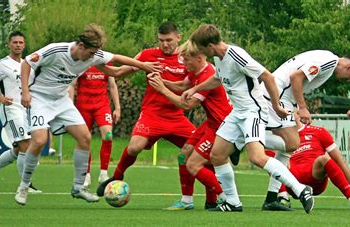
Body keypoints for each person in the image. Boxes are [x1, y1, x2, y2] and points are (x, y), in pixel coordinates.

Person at [15, 23, 160, 205]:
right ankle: (23, 186)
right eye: (91, 54)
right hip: (39, 99)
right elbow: (27, 62)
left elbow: (115, 64)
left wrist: (141, 66)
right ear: (81, 46)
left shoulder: (93, 54)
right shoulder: (56, 50)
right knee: (39, 141)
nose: (93, 58)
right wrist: (26, 93)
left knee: (85, 138)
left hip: (61, 100)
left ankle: (78, 188)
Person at [181, 24, 314, 213]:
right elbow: (218, 79)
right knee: (217, 155)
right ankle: (233, 203)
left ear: (210, 46)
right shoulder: (219, 58)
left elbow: (267, 76)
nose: (199, 53)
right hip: (237, 112)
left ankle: (301, 191)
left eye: (201, 49)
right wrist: (194, 89)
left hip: (253, 111)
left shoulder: (236, 55)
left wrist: (276, 106)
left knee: (257, 157)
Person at [96, 22, 197, 210]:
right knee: (134, 147)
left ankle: (214, 196)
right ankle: (117, 177)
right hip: (152, 114)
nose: (165, 44)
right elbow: (117, 72)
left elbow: (195, 84)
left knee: (201, 152)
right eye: (161, 40)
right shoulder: (147, 55)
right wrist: (94, 61)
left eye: (168, 40)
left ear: (178, 38)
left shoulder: (188, 58)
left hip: (176, 116)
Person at [259, 50, 350, 211]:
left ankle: (272, 198)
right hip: (277, 97)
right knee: (292, 143)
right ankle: (248, 140)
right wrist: (302, 107)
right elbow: (296, 76)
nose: (347, 80)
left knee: (287, 149)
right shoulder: (330, 61)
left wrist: (296, 105)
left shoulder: (326, 58)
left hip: (277, 96)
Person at [147, 40, 232, 210]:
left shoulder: (207, 75)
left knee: (193, 164)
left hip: (221, 126)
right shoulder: (195, 71)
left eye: (186, 60)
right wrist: (161, 81)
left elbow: (186, 104)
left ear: (200, 58)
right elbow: (182, 86)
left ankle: (226, 198)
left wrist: (162, 89)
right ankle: (187, 201)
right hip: (211, 122)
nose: (183, 64)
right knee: (183, 156)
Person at [0, 31, 41, 194]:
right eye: (15, 42)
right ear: (9, 44)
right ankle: (25, 185)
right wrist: (1, 98)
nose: (18, 45)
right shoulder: (2, 64)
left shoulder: (28, 64)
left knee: (18, 149)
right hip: (11, 109)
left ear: (24, 45)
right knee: (25, 145)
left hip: (26, 110)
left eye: (21, 42)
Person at [276, 116, 350, 211]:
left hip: (315, 175)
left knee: (325, 158)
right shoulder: (282, 136)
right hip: (292, 179)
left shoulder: (318, 131)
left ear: (297, 113)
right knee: (277, 160)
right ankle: (283, 198)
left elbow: (339, 160)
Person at [69, 64, 121, 188]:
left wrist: (117, 107)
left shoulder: (106, 64)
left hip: (101, 106)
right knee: (84, 140)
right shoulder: (82, 63)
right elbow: (71, 85)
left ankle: (104, 173)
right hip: (83, 107)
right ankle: (86, 175)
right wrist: (70, 105)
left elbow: (112, 86)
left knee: (108, 136)